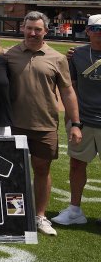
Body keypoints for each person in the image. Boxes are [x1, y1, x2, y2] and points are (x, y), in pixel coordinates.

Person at [6, 11, 80, 236]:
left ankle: (40, 216)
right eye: (29, 28)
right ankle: (13, 215)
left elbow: (68, 92)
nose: (32, 33)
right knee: (11, 172)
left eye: (38, 29)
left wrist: (75, 123)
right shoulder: (8, 55)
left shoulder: (57, 58)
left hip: (44, 124)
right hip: (13, 124)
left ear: (46, 31)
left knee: (42, 169)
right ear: (22, 29)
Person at [57, 14, 101, 227]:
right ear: (88, 31)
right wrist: (72, 119)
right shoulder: (77, 55)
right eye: (96, 29)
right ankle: (75, 210)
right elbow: (71, 88)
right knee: (76, 164)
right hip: (84, 119)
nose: (99, 33)